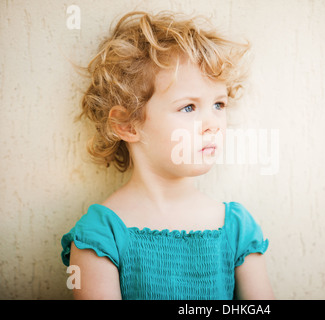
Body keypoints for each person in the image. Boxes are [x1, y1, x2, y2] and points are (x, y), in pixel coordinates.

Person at [61, 10, 273, 300]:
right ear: (127, 124)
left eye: (219, 105)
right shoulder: (101, 236)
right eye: (188, 107)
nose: (213, 123)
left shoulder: (237, 228)